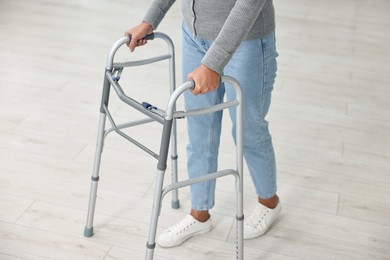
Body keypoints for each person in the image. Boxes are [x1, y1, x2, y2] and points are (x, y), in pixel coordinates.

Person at [125, 0, 281, 248]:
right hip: (195, 36)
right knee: (199, 128)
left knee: (248, 129)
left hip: (247, 41)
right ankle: (199, 213)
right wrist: (151, 18)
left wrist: (213, 63)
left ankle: (269, 202)